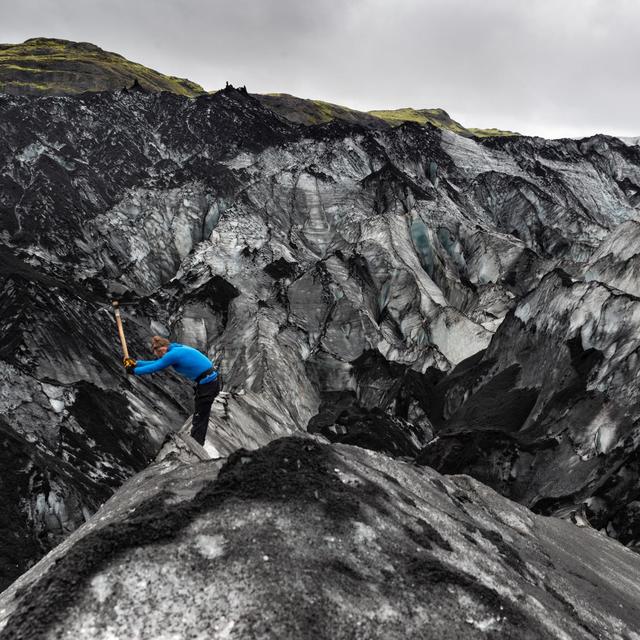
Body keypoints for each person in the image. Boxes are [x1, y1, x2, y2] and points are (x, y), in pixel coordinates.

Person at [123, 336, 221, 445]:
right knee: (201, 414)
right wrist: (136, 363)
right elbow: (157, 363)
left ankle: (196, 445)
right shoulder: (176, 348)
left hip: (208, 383)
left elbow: (155, 367)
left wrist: (133, 371)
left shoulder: (172, 354)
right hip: (211, 380)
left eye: (157, 352)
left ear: (162, 349)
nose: (156, 355)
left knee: (200, 416)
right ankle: (196, 442)